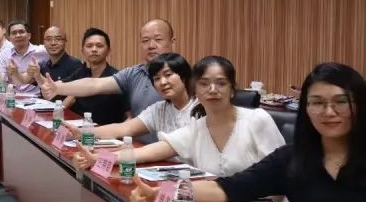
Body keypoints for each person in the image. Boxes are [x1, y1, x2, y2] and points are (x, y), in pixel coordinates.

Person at [130, 62, 366, 202]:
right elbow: (227, 188)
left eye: (340, 102)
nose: (328, 112)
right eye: (317, 103)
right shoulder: (291, 159)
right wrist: (158, 193)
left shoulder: (255, 121)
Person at [76, 56, 284, 177]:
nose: (212, 90)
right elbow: (147, 152)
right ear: (197, 89)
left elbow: (282, 176)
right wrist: (97, 158)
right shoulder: (197, 128)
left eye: (221, 83)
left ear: (232, 89)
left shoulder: (258, 120)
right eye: (204, 84)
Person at [39, 18, 177, 140]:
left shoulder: (182, 76)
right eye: (145, 40)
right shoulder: (134, 73)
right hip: (136, 147)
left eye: (158, 39)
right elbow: (95, 84)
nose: (151, 45)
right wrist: (57, 88)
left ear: (172, 42)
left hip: (172, 154)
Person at [68, 53, 196, 145]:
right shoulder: (158, 109)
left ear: (184, 76)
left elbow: (167, 149)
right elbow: (124, 128)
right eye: (156, 78)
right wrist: (82, 132)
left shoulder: (200, 109)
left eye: (168, 75)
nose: (163, 82)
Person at [63, 28, 128, 127]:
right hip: (78, 131)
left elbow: (129, 116)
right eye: (89, 46)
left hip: (107, 133)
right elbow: (61, 89)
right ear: (83, 51)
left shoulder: (117, 78)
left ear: (108, 51)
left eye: (99, 46)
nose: (94, 49)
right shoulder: (80, 74)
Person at [0, 19, 47, 95]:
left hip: (36, 96)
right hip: (13, 96)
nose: (18, 35)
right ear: (10, 38)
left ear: (29, 36)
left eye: (21, 32)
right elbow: (1, 79)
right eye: (14, 33)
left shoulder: (42, 51)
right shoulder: (5, 54)